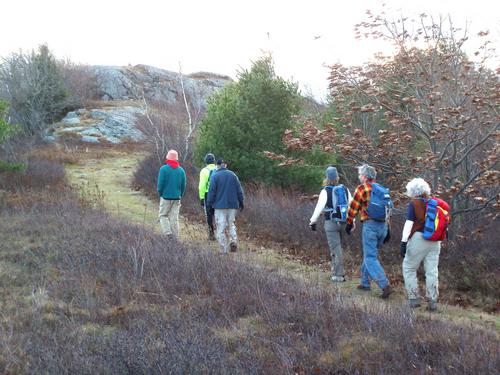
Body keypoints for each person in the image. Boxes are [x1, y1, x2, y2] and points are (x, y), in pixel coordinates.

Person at [345, 164, 393, 298]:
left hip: (370, 226)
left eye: (360, 174)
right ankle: (365, 283)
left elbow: (353, 208)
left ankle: (384, 285)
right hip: (383, 227)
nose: (359, 177)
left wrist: (349, 223)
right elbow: (389, 211)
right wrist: (388, 229)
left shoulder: (362, 188)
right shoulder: (382, 190)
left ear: (365, 176)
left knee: (370, 257)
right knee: (370, 254)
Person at [400, 178, 441, 311]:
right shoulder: (435, 203)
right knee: (432, 271)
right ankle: (433, 301)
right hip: (435, 240)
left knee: (409, 268)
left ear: (412, 190)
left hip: (419, 238)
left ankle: (414, 299)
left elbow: (409, 223)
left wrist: (403, 242)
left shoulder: (414, 203)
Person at [309, 166, 352, 282]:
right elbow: (351, 206)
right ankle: (337, 272)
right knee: (339, 248)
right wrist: (352, 222)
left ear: (327, 178)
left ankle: (338, 275)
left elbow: (319, 207)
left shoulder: (325, 191)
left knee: (335, 248)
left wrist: (313, 221)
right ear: (337, 177)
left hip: (331, 223)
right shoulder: (345, 189)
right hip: (344, 222)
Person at [206, 159, 244, 254]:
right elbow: (239, 190)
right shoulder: (233, 175)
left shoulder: (215, 176)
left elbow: (211, 192)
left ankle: (223, 250)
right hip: (232, 205)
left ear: (217, 166)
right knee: (231, 224)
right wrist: (241, 202)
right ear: (225, 165)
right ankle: (233, 241)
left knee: (221, 227)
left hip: (219, 206)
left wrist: (209, 204)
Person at [157, 149, 186, 239]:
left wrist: (160, 193)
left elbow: (160, 184)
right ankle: (176, 239)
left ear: (168, 158)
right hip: (177, 197)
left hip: (165, 197)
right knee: (174, 218)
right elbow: (183, 185)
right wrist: (180, 194)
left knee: (163, 216)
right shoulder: (181, 170)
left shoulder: (163, 169)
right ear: (176, 159)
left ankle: (168, 233)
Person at [198, 153, 217, 240]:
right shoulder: (218, 169)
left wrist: (202, 197)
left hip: (207, 194)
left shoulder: (204, 171)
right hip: (218, 194)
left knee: (209, 215)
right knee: (218, 214)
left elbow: (202, 186)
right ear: (214, 161)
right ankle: (220, 233)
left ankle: (211, 234)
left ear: (206, 161)